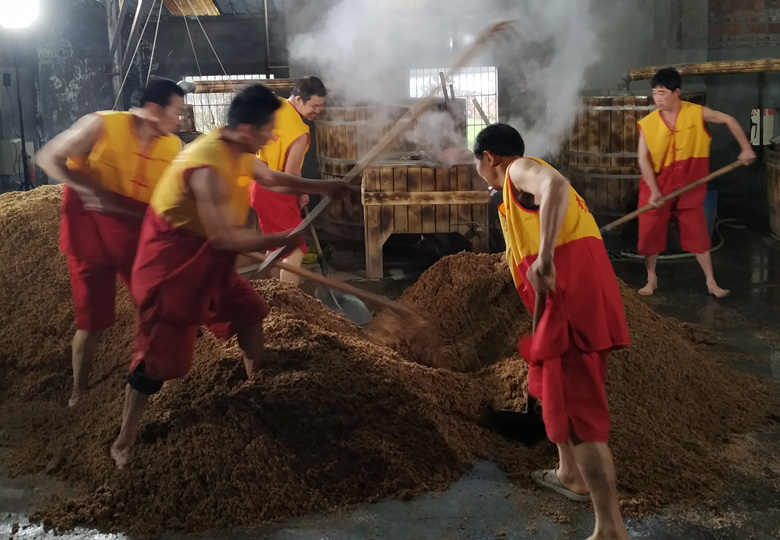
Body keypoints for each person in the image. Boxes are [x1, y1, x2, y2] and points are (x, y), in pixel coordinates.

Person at [110, 83, 352, 469]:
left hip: (209, 257)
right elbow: (226, 239)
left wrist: (324, 187)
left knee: (250, 313)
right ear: (244, 131)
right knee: (157, 360)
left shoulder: (238, 149)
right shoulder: (206, 167)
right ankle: (124, 440)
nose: (272, 134)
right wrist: (282, 238)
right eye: (266, 129)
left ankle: (257, 392)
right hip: (171, 266)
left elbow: (273, 179)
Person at [474, 124, 632, 540]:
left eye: (477, 161)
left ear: (489, 157)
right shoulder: (511, 198)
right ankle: (568, 473)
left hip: (573, 303)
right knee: (548, 385)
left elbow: (556, 186)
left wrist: (544, 257)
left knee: (581, 419)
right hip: (563, 304)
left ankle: (611, 528)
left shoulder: (518, 170)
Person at [35, 79, 187, 407]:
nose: (180, 121)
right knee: (93, 320)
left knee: (155, 305)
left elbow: (170, 198)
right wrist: (91, 192)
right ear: (154, 109)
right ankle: (80, 387)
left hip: (136, 238)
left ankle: (146, 376)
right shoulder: (102, 124)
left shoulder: (172, 147)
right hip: (90, 234)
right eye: (177, 113)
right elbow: (49, 157)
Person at [636, 67, 756, 298]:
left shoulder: (696, 113)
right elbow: (642, 160)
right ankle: (651, 278)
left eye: (662, 93)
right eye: (655, 93)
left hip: (690, 185)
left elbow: (728, 119)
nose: (657, 99)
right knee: (650, 233)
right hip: (657, 185)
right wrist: (653, 191)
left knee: (698, 234)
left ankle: (711, 282)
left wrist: (746, 147)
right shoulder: (648, 124)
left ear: (677, 92)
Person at [249, 76, 327, 285]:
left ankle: (269, 296)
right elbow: (292, 173)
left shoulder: (275, 106)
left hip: (256, 184)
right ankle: (288, 303)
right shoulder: (299, 132)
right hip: (276, 189)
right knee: (295, 248)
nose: (318, 110)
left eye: (321, 106)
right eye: (315, 105)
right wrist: (302, 191)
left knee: (277, 246)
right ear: (300, 99)